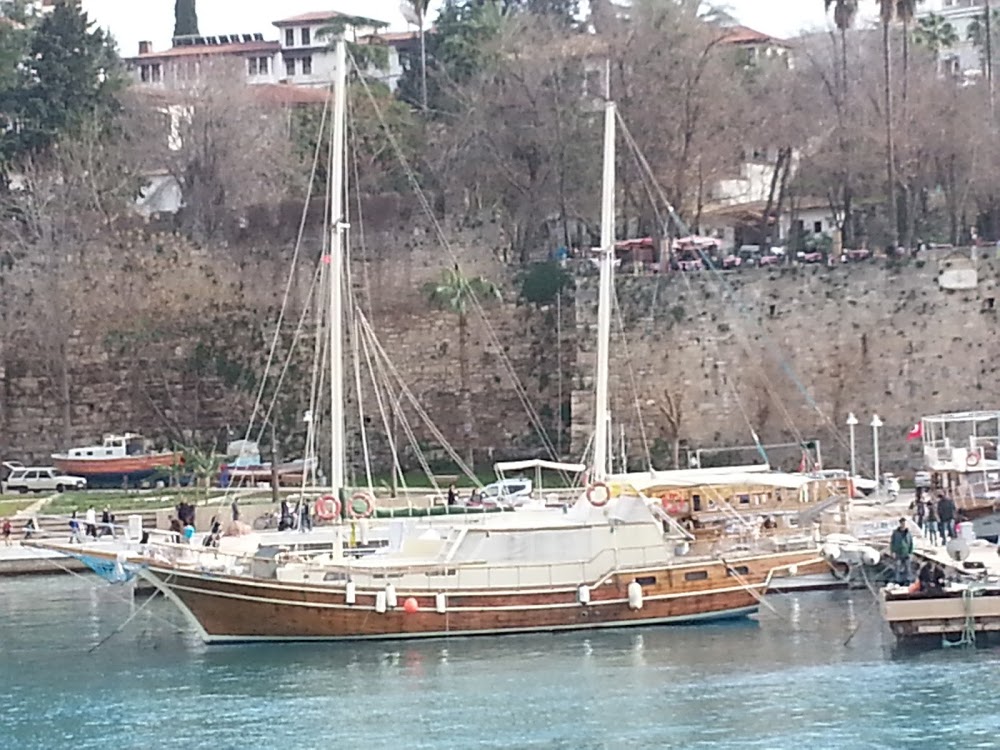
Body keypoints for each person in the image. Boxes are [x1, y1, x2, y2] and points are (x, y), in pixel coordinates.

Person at [889, 517, 914, 585]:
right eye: (902, 523)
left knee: (908, 567)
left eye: (904, 523)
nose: (903, 524)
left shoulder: (908, 532)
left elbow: (911, 543)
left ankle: (908, 580)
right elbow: (892, 542)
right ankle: (897, 580)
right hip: (898, 552)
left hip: (906, 553)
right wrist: (892, 551)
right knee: (897, 567)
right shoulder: (895, 532)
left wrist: (910, 552)